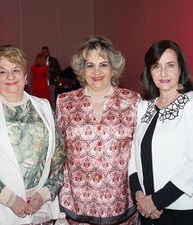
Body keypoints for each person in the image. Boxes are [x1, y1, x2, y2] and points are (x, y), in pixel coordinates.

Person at [0, 45, 65, 225]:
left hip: (41, 207)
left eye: (16, 70)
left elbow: (59, 156)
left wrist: (44, 194)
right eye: (3, 71)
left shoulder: (43, 106)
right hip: (1, 208)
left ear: (25, 75)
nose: (10, 76)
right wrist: (11, 200)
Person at [128, 40, 193, 225]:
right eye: (156, 66)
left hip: (187, 210)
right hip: (147, 209)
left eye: (170, 65)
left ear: (180, 68)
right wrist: (140, 197)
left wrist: (157, 201)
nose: (163, 73)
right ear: (149, 71)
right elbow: (133, 158)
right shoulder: (143, 108)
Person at [56, 36, 141, 224]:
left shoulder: (132, 101)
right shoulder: (65, 102)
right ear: (82, 69)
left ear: (113, 68)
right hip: (75, 203)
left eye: (103, 65)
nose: (96, 72)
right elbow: (58, 152)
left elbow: (139, 154)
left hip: (119, 203)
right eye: (90, 65)